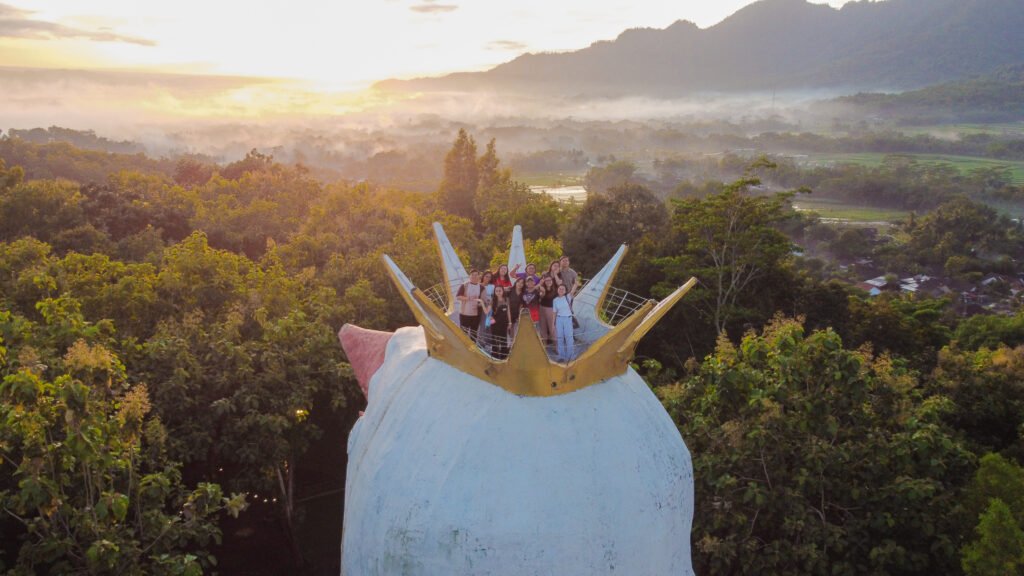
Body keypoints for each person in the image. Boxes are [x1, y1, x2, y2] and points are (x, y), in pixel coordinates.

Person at [455, 269, 486, 341]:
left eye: (476, 275)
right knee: (463, 333)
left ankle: (473, 349)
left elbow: (483, 300)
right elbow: (458, 297)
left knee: (474, 334)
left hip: (476, 314)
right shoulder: (464, 285)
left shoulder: (482, 287)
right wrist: (468, 298)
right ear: (470, 276)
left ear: (479, 276)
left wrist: (480, 303)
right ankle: (464, 349)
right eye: (473, 275)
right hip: (464, 313)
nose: (474, 276)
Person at [489, 285, 512, 359]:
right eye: (496, 291)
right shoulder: (492, 300)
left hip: (504, 323)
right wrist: (491, 322)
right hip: (495, 323)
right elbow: (490, 313)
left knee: (503, 338)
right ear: (495, 292)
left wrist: (510, 322)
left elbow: (508, 311)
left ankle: (503, 355)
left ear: (503, 291)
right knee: (495, 339)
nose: (498, 292)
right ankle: (495, 354)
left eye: (500, 291)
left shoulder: (506, 299)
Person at [552, 284, 575, 361]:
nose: (561, 290)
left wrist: (575, 283)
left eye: (563, 289)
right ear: (557, 290)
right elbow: (554, 312)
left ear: (565, 291)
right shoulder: (555, 300)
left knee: (569, 338)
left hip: (568, 319)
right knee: (560, 337)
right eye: (559, 288)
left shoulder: (568, 297)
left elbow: (573, 289)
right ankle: (561, 356)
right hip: (559, 319)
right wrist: (553, 323)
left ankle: (570, 356)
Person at [538, 274, 557, 345]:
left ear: (552, 281)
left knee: (552, 327)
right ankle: (544, 344)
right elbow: (540, 297)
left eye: (549, 280)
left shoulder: (555, 289)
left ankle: (556, 346)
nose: (548, 282)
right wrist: (543, 292)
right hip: (541, 308)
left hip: (551, 309)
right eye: (546, 281)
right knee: (543, 327)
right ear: (544, 282)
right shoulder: (542, 289)